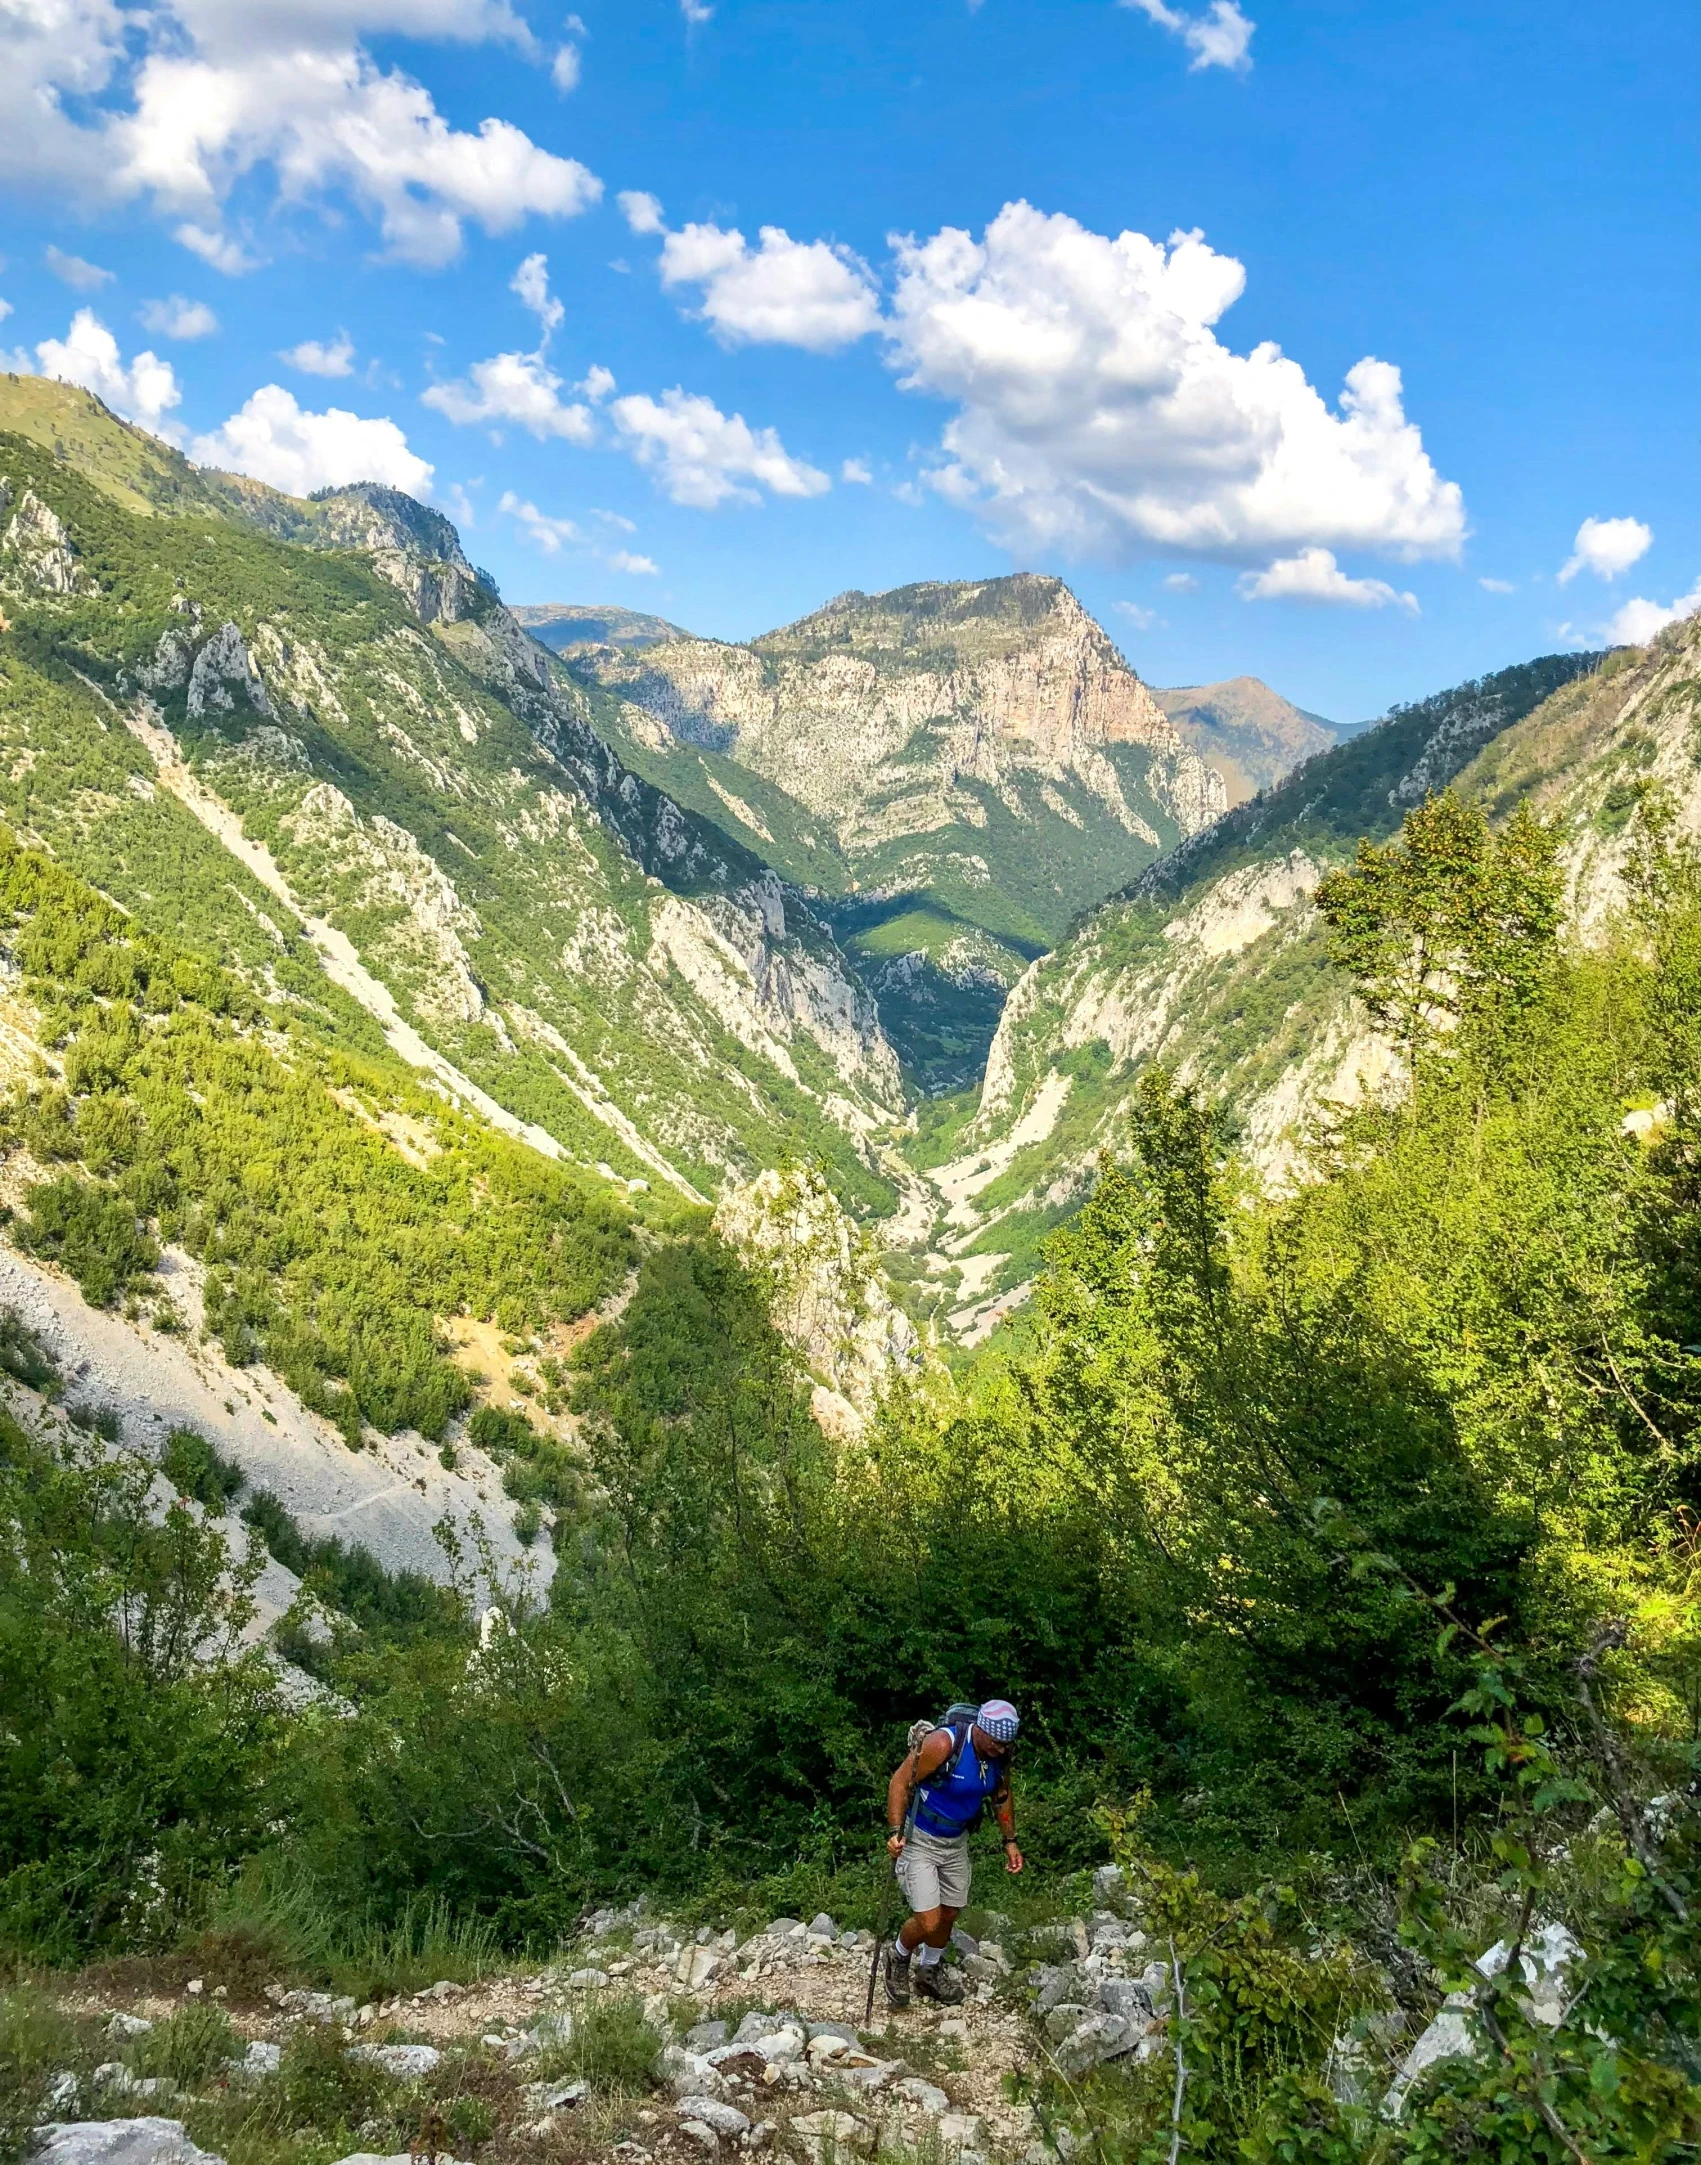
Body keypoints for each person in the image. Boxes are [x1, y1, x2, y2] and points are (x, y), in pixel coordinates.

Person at [883, 1698, 1023, 2007]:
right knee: (930, 1920)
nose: (1001, 1750)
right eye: (997, 1743)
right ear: (981, 1730)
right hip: (919, 1837)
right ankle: (897, 1955)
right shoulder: (943, 1744)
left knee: (950, 1911)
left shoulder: (1000, 1757)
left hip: (955, 1840)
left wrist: (1009, 1841)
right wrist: (895, 1832)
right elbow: (900, 1782)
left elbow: (1001, 1796)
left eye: (1006, 1745)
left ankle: (930, 1969)